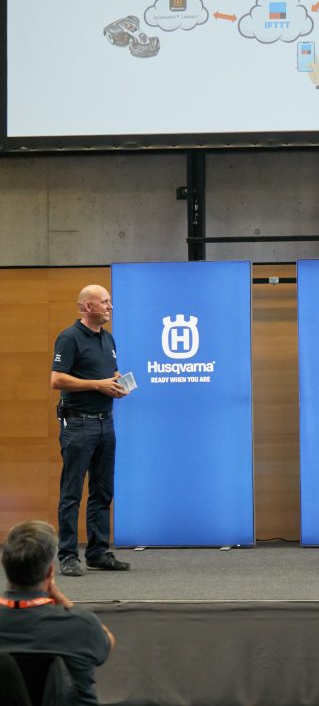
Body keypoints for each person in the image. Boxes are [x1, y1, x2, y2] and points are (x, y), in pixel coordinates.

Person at [51, 285, 130, 576]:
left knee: (102, 490)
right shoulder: (69, 337)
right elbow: (57, 380)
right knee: (72, 493)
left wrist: (116, 382)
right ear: (87, 307)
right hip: (78, 424)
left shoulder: (108, 338)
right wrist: (97, 385)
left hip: (105, 423)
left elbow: (108, 373)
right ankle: (68, 555)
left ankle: (97, 553)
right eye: (104, 302)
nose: (110, 306)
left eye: (110, 301)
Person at [0, 520, 115, 705]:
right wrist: (61, 598)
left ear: (4, 564)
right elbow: (107, 642)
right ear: (50, 572)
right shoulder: (81, 624)